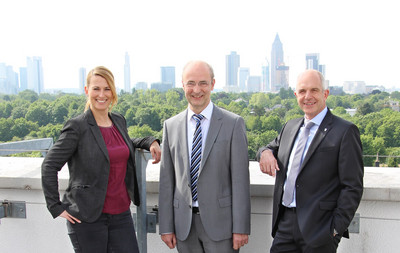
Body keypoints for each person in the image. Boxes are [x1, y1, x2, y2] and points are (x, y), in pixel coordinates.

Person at [41, 66, 161, 253]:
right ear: (87, 90)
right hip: (88, 218)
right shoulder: (77, 126)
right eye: (96, 88)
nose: (102, 94)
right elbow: (49, 164)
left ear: (113, 92)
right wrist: (55, 206)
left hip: (121, 214)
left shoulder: (118, 121)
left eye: (107, 89)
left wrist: (149, 141)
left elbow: (122, 144)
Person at [257, 69, 364, 253]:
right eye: (302, 91)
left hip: (320, 230)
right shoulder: (290, 127)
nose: (308, 96)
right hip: (284, 225)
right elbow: (269, 148)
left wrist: (335, 228)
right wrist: (264, 152)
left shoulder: (345, 131)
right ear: (296, 94)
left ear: (325, 93)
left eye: (314, 90)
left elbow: (352, 186)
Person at [158, 60, 251, 252]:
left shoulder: (233, 124)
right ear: (183, 85)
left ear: (213, 85)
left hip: (222, 226)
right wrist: (166, 226)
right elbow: (167, 181)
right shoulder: (171, 126)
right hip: (184, 225)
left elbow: (240, 181)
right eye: (190, 83)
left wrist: (241, 228)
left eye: (203, 83)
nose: (196, 89)